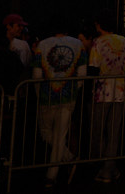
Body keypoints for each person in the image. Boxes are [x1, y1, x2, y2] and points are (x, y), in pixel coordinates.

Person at [32, 14, 87, 188]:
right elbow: (83, 74)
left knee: (46, 133)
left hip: (47, 96)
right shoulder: (78, 45)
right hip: (68, 95)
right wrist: (73, 88)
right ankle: (64, 162)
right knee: (60, 135)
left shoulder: (42, 45)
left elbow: (37, 74)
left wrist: (39, 91)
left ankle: (54, 172)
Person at [88, 11, 125, 184]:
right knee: (114, 131)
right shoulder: (124, 41)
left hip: (102, 90)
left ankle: (99, 165)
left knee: (98, 130)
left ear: (99, 25)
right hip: (120, 90)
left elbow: (93, 67)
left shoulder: (98, 42)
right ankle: (109, 168)